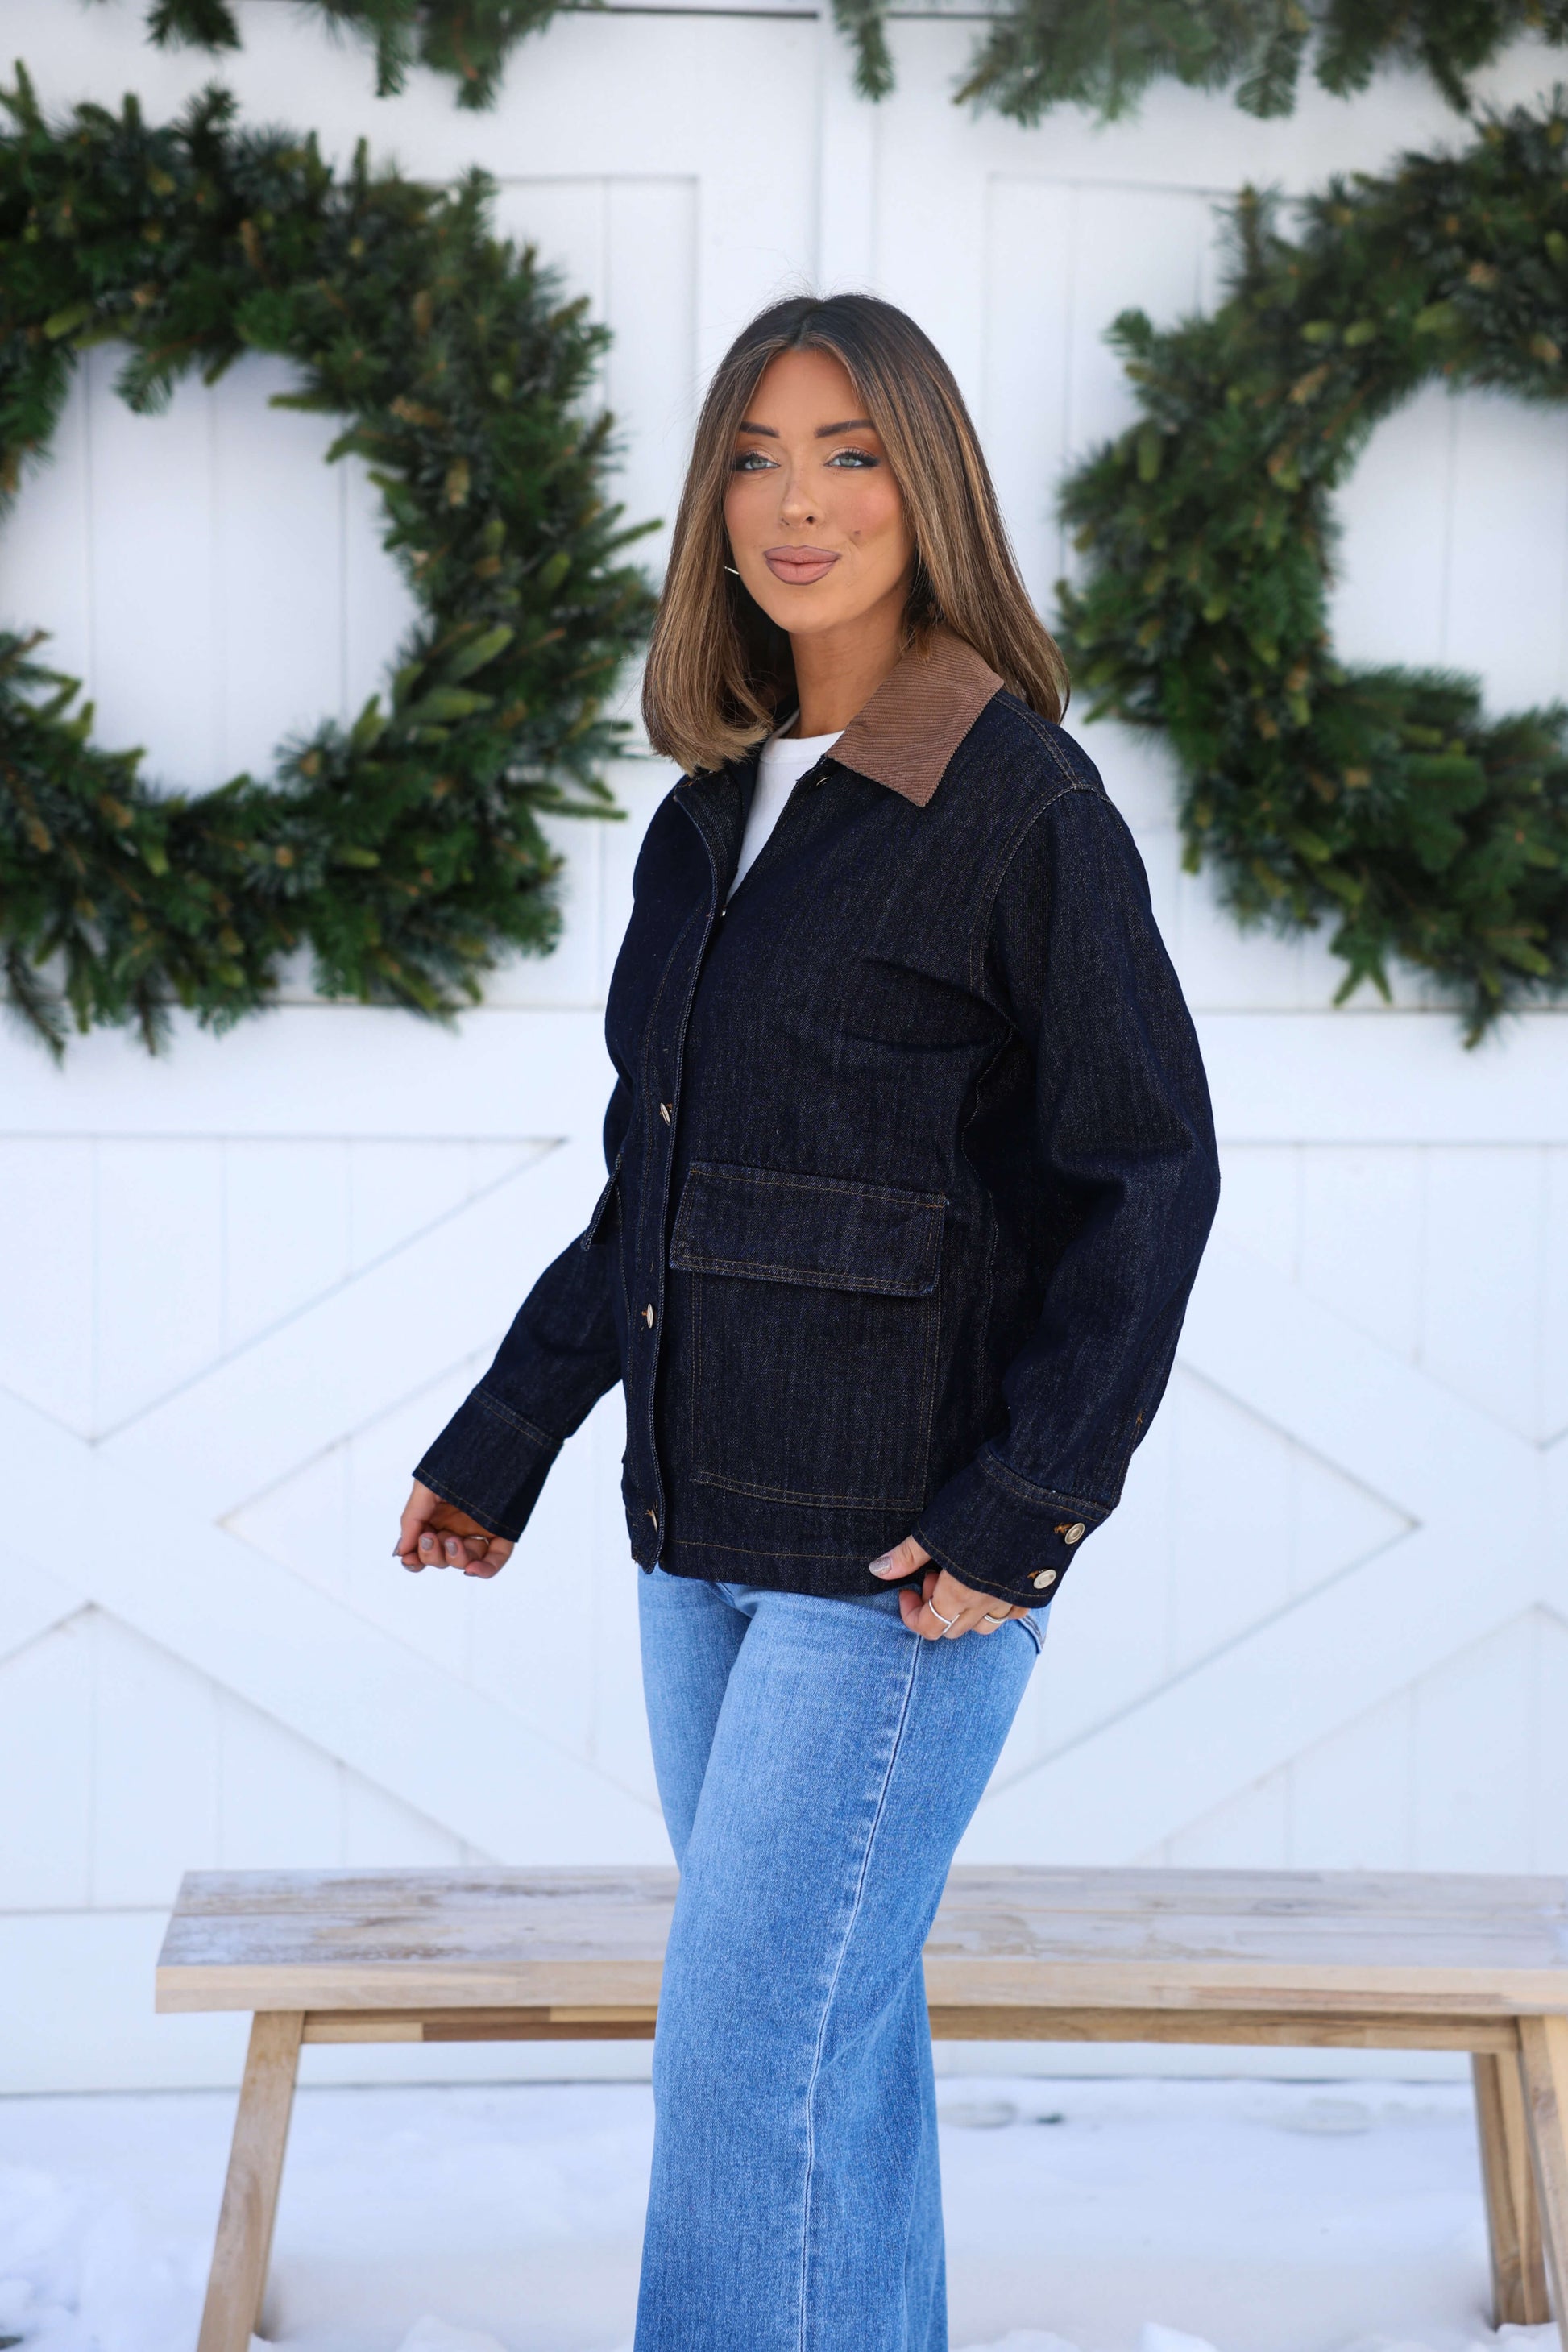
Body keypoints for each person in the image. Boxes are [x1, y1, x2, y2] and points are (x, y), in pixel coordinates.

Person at [394, 292, 1220, 2352]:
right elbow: (650, 1185)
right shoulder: (715, 813)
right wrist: (506, 1434)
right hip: (702, 1540)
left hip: (900, 1562)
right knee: (825, 2048)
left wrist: (1022, 1507)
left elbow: (1148, 1174)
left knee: (743, 2054)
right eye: (754, 454)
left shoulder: (1017, 803)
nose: (795, 499)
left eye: (847, 451)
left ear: (924, 484)